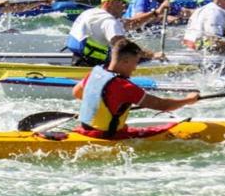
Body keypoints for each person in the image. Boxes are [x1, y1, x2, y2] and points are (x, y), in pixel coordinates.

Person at [70, 39, 200, 139]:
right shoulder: (125, 87)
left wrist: (100, 107)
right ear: (125, 61)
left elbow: (77, 92)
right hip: (108, 137)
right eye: (135, 62)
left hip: (85, 129)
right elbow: (163, 105)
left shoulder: (96, 72)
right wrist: (187, 100)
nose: (135, 68)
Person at [66, 0, 161, 66]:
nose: (125, 7)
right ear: (111, 2)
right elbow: (124, 47)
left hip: (78, 60)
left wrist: (155, 13)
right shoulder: (108, 21)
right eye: (123, 2)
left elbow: (131, 23)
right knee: (131, 56)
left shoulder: (91, 12)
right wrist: (152, 55)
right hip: (93, 66)